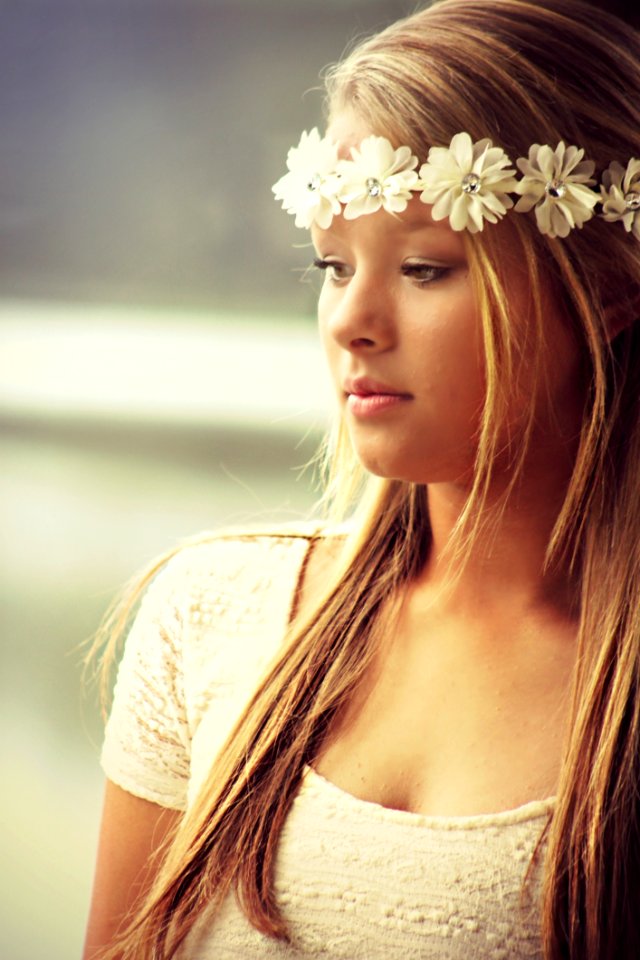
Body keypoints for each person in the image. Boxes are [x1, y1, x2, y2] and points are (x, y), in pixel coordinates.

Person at [82, 0, 640, 957]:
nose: (351, 321)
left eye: (424, 268)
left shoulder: (617, 700)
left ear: (607, 290)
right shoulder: (210, 617)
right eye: (333, 266)